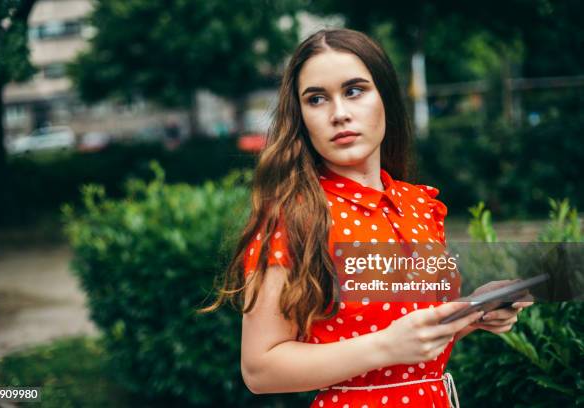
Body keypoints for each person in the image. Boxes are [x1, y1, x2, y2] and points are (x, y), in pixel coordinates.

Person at [200, 28, 533, 407]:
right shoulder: (295, 217)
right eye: (317, 99)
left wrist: (473, 313)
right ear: (301, 116)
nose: (339, 114)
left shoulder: (418, 206)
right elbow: (260, 370)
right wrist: (385, 346)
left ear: (386, 98)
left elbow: (409, 339)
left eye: (354, 90)